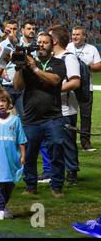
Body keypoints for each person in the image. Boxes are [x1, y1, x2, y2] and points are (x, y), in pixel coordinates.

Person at [13, 32, 67, 197]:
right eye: (39, 42)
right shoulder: (28, 64)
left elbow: (55, 80)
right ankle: (30, 185)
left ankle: (56, 186)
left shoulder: (58, 63)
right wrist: (20, 68)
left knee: (57, 148)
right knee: (29, 153)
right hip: (31, 117)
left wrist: (34, 68)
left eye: (45, 42)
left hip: (53, 116)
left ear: (52, 45)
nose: (42, 45)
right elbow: (17, 86)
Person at [0, 88, 26, 220]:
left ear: (9, 103)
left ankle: (3, 205)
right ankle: (0, 209)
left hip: (12, 159)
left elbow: (21, 140)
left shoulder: (15, 120)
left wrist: (23, 155)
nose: (1, 104)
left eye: (3, 101)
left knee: (9, 184)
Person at [46, 25, 81, 185]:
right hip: (54, 109)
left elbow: (75, 82)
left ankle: (72, 172)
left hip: (66, 108)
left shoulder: (69, 57)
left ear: (54, 40)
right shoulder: (53, 58)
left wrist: (54, 89)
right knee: (54, 143)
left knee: (67, 142)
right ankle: (55, 172)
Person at [66, 26, 101, 151]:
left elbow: (99, 65)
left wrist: (86, 68)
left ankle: (85, 143)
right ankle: (70, 141)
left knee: (86, 116)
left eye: (78, 34)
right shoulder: (67, 47)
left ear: (84, 36)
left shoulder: (91, 49)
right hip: (69, 88)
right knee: (69, 115)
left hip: (86, 87)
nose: (75, 36)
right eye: (73, 34)